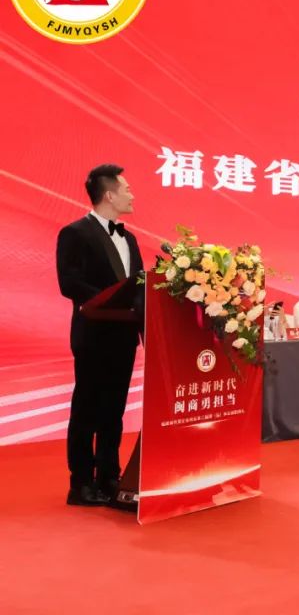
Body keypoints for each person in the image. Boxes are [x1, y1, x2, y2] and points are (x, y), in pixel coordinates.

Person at [56, 164, 144, 506]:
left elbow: (137, 285)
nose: (132, 195)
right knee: (87, 409)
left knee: (114, 409)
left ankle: (109, 476)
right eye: (127, 189)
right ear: (109, 195)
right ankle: (80, 483)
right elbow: (69, 283)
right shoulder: (75, 233)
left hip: (124, 336)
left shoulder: (130, 238)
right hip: (93, 335)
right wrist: (109, 299)